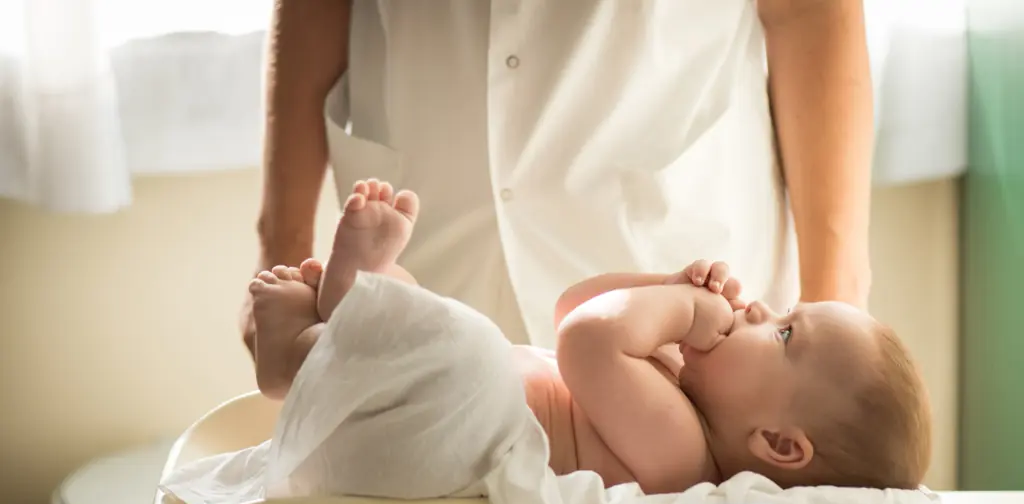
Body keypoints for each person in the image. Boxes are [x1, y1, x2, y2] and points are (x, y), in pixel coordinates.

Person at [240, 0, 875, 357]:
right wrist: (281, 243)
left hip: (678, 259)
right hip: (428, 246)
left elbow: (808, 11)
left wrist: (838, 301)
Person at [247, 178, 931, 498]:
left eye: (784, 333)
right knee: (440, 328)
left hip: (438, 440)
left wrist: (680, 308)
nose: (757, 312)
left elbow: (584, 341)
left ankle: (292, 358)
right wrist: (665, 281)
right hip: (433, 414)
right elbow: (575, 304)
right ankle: (356, 305)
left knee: (468, 351)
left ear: (779, 445)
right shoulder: (671, 382)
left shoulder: (684, 458)